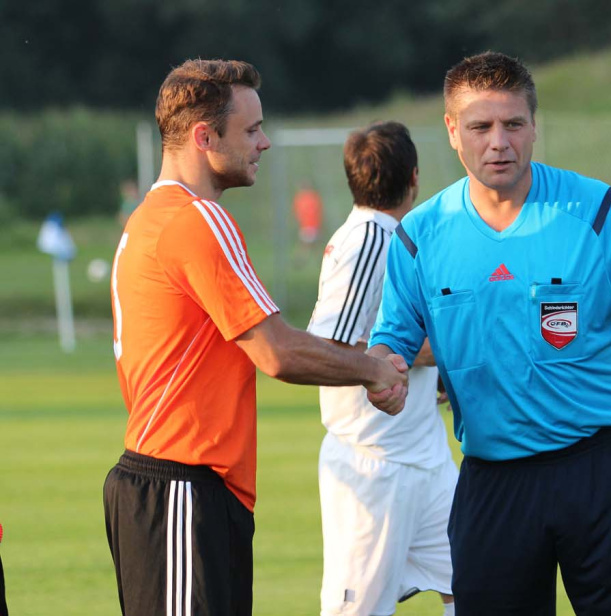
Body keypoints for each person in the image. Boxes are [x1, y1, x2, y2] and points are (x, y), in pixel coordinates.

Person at [366, 51, 611, 616]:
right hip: (494, 484)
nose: (498, 142)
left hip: (604, 472)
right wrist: (382, 373)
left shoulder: (597, 211)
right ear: (452, 130)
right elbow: (391, 342)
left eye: (513, 124)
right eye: (480, 127)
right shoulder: (418, 236)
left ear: (534, 126)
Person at [102, 59, 408, 616]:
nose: (263, 143)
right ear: (204, 137)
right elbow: (276, 350)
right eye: (251, 130)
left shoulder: (150, 217)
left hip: (173, 486)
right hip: (183, 483)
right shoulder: (197, 219)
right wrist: (375, 370)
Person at [307, 122, 457, 616]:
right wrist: (431, 353)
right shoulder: (371, 239)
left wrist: (433, 371)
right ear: (414, 177)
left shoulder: (396, 237)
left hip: (425, 456)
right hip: (375, 462)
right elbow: (329, 345)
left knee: (482, 583)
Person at [293, 182, 324, 264]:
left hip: (306, 225)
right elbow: (319, 212)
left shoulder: (300, 199)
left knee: (306, 246)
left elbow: (298, 214)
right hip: (313, 225)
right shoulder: (314, 197)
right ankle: (301, 260)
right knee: (310, 245)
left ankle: (299, 260)